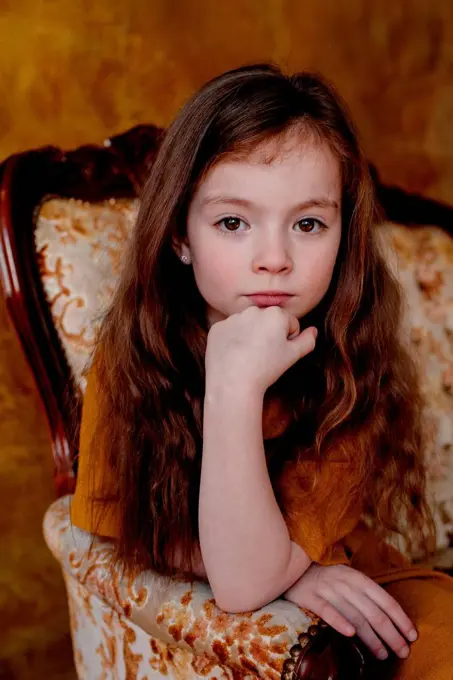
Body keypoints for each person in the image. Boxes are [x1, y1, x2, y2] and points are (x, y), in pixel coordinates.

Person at [71, 63, 453, 678]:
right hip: (294, 578)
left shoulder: (349, 364)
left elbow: (261, 570)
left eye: (307, 224)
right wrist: (234, 385)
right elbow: (212, 566)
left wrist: (288, 563)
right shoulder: (131, 357)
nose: (274, 260)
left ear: (343, 234)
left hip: (362, 582)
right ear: (179, 235)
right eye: (232, 222)